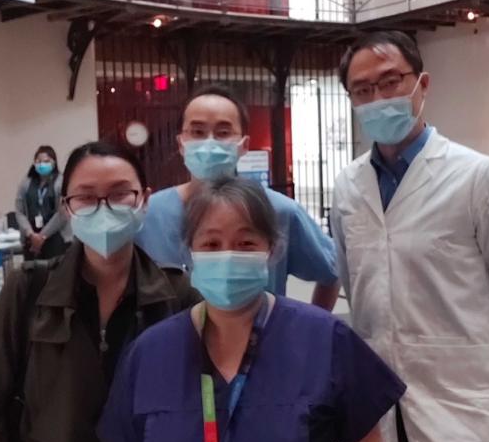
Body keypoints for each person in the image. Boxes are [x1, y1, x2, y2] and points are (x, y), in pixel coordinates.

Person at [99, 177, 405, 442]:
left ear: (271, 249)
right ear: (189, 251)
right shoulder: (150, 353)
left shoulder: (327, 341)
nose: (228, 256)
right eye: (211, 245)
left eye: (246, 244)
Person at [331, 31, 489, 442]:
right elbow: (354, 286)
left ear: (421, 84)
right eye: (363, 90)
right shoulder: (347, 188)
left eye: (390, 82)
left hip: (464, 402)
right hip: (378, 408)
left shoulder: (478, 177)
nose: (378, 98)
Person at [0, 141, 202, 442]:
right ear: (67, 208)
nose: (104, 209)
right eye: (86, 197)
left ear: (145, 200)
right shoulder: (28, 291)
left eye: (121, 194)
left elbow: (196, 413)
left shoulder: (178, 297)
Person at [136, 84, 340, 310]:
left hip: (261, 342)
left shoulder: (280, 211)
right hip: (172, 344)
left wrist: (310, 330)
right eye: (197, 132)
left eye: (223, 133)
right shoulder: (151, 214)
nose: (209, 142)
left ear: (244, 145)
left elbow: (331, 271)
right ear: (181, 144)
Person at [15, 145, 71, 260]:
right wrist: (30, 233)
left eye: (46, 161)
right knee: (32, 275)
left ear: (54, 163)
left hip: (56, 238)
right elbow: (19, 211)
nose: (42, 164)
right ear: (34, 163)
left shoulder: (61, 183)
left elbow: (62, 213)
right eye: (38, 161)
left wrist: (42, 236)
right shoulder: (26, 183)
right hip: (30, 238)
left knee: (54, 275)